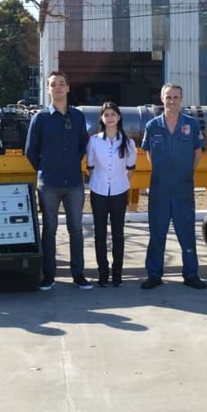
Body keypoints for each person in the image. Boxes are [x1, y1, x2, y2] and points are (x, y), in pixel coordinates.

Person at [25, 71, 91, 291]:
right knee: (49, 230)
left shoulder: (78, 117)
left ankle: (78, 274)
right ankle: (49, 275)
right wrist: (45, 169)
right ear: (48, 89)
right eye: (54, 84)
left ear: (68, 88)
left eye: (62, 84)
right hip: (49, 184)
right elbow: (30, 151)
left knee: (76, 229)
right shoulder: (40, 118)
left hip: (73, 182)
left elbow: (83, 144)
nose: (59, 88)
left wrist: (71, 164)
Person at [141, 83, 207, 290]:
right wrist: (163, 172)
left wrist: (185, 172)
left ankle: (191, 274)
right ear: (162, 99)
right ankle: (154, 274)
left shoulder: (191, 124)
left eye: (176, 97)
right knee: (157, 234)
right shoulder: (152, 126)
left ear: (181, 99)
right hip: (159, 188)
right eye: (168, 97)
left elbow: (198, 152)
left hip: (183, 188)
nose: (172, 101)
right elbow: (149, 153)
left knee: (186, 233)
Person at [86, 102, 136, 287]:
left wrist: (120, 182)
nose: (110, 118)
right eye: (106, 114)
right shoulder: (94, 141)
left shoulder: (128, 142)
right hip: (98, 192)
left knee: (118, 234)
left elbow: (131, 168)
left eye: (113, 114)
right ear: (101, 118)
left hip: (119, 192)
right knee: (100, 234)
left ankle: (117, 273)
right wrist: (100, 181)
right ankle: (103, 273)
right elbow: (90, 167)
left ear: (119, 117)